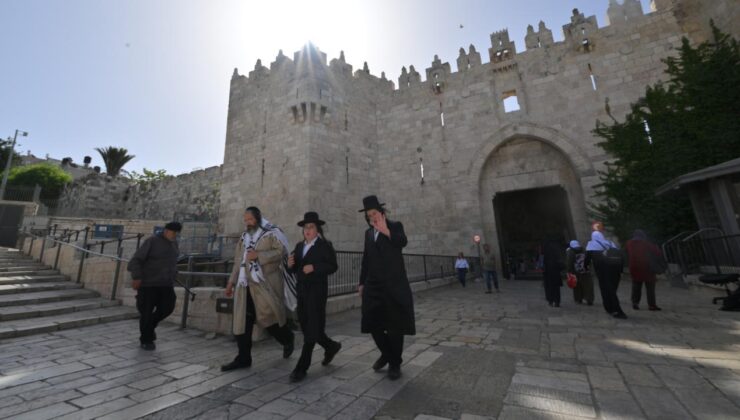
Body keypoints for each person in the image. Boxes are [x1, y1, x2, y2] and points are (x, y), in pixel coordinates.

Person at [221, 207, 295, 371]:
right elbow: (238, 261)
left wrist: (259, 256)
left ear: (258, 218)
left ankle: (287, 339)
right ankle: (243, 358)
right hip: (244, 285)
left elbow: (281, 251)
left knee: (268, 319)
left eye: (250, 220)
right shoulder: (244, 237)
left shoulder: (271, 232)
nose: (247, 223)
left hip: (263, 283)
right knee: (242, 321)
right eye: (245, 220)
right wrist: (231, 282)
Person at [358, 195, 416, 380]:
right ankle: (387, 354)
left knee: (394, 326)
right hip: (373, 285)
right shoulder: (368, 234)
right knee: (372, 322)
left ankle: (395, 364)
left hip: (393, 284)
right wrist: (361, 283)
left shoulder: (394, 226)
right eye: (368, 215)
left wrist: (386, 231)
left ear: (381, 212)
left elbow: (402, 241)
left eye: (374, 213)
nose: (371, 218)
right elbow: (366, 260)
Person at [286, 212, 342, 382]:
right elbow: (295, 270)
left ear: (317, 229)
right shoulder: (299, 246)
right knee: (308, 326)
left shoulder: (325, 245)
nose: (307, 230)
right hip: (302, 292)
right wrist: (290, 266)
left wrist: (315, 268)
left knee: (311, 330)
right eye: (305, 227)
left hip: (317, 292)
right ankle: (331, 346)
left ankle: (301, 367)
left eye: (311, 227)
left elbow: (333, 266)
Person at [127, 221, 182, 350]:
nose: (174, 236)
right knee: (146, 312)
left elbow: (172, 262)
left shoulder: (174, 244)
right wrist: (137, 277)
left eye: (177, 233)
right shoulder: (151, 241)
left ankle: (150, 326)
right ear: (166, 231)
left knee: (168, 307)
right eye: (173, 233)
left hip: (166, 284)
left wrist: (174, 272)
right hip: (148, 284)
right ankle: (146, 340)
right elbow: (136, 260)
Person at [586, 224, 627, 319]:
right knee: (612, 290)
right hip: (615, 271)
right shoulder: (610, 243)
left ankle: (615, 310)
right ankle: (611, 308)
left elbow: (587, 260)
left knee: (607, 290)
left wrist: (585, 267)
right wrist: (621, 270)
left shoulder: (591, 245)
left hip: (603, 272)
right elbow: (619, 256)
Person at [626, 229, 663, 311]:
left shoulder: (629, 243)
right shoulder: (646, 244)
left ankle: (635, 303)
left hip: (634, 267)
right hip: (647, 267)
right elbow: (657, 252)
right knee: (650, 287)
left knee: (636, 286)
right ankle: (652, 305)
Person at [566, 240, 594, 305]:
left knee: (577, 286)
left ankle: (579, 299)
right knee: (588, 285)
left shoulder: (571, 251)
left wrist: (569, 271)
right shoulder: (584, 250)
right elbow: (589, 259)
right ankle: (589, 299)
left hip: (576, 271)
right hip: (586, 270)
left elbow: (569, 262)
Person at [542, 239, 564, 307]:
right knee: (556, 288)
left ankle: (550, 301)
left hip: (548, 273)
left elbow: (544, 264)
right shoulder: (557, 253)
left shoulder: (546, 252)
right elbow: (561, 264)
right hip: (556, 273)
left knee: (549, 287)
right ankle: (557, 302)